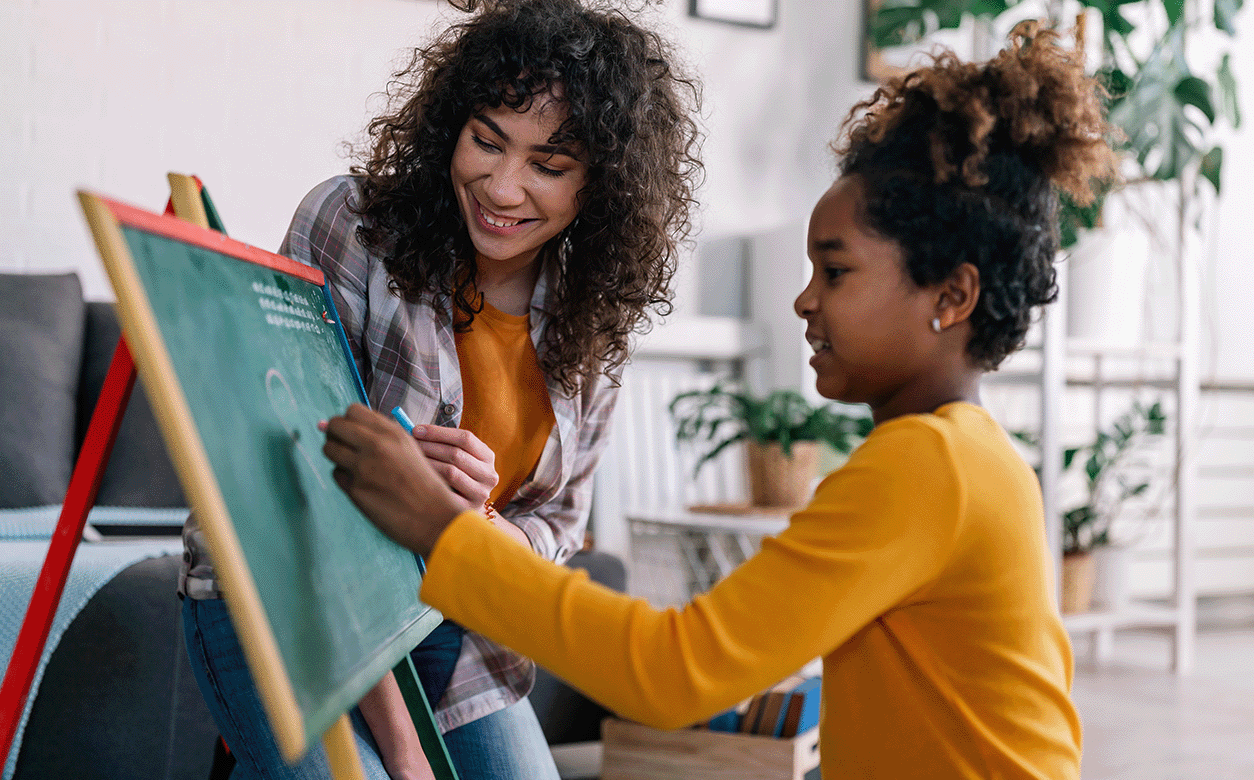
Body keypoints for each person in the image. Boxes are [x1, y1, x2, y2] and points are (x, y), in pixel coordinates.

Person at [320, 21, 1120, 780]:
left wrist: (439, 525)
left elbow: (674, 670)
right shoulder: (965, 458)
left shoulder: (930, 466)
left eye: (835, 273)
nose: (804, 303)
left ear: (951, 296)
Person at [178, 0, 701, 778]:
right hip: (286, 596)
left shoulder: (592, 320)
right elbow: (305, 504)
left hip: (454, 630)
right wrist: (401, 747)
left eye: (548, 167)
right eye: (486, 141)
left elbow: (555, 525)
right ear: (451, 126)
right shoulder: (353, 228)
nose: (502, 186)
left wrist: (476, 519)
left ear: (602, 186)